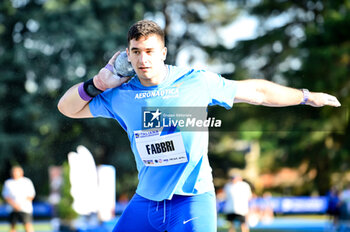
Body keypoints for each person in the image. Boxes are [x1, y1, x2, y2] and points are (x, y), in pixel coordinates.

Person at [57, 19, 341, 232]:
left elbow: (258, 93)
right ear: (127, 55)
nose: (143, 59)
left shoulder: (196, 81)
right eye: (136, 51)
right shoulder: (120, 94)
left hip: (192, 199)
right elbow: (67, 108)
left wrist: (305, 96)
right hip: (146, 200)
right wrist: (97, 84)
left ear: (163, 52)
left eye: (150, 51)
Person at [2, 165, 36, 232]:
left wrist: (21, 205)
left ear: (21, 172)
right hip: (12, 209)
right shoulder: (8, 183)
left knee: (28, 226)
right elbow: (6, 196)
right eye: (14, 172)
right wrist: (14, 205)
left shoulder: (27, 181)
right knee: (12, 227)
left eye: (17, 172)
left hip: (25, 209)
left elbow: (31, 195)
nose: (15, 173)